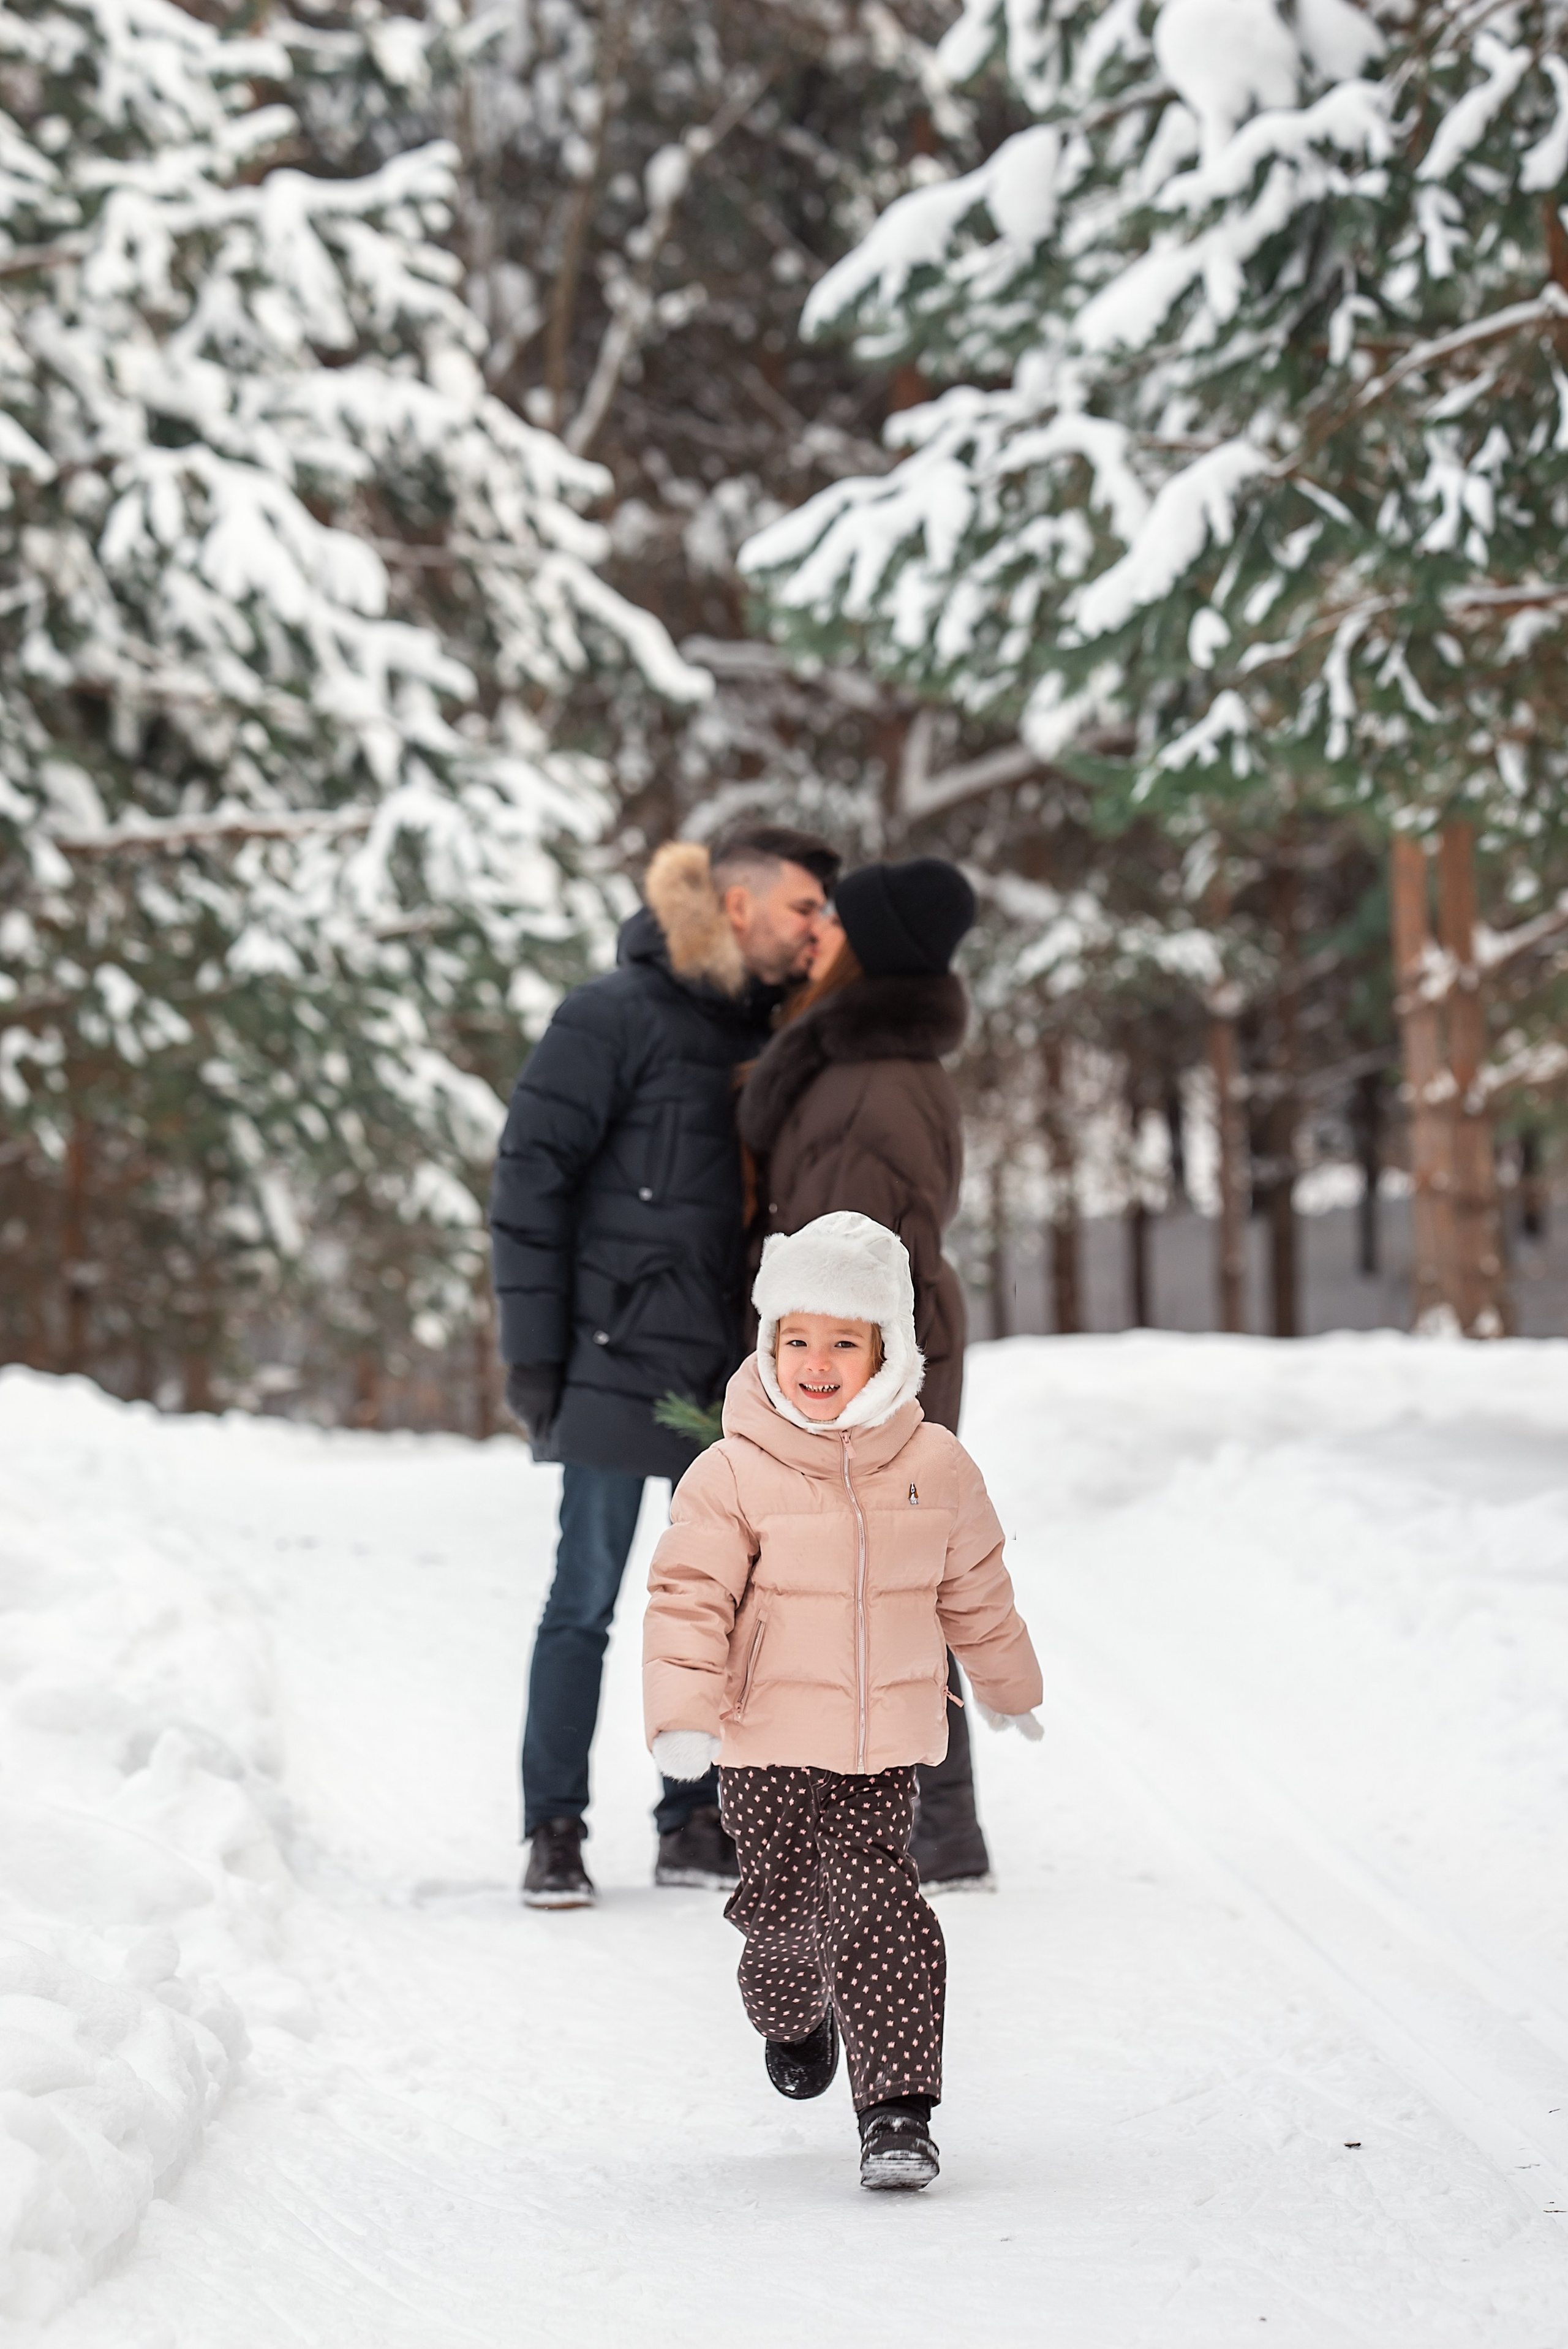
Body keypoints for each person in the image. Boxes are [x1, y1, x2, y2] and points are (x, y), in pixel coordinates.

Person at [643, 1213, 1042, 2191]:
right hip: (765, 1746)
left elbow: (976, 1587)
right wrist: (683, 1716)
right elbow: (687, 1597)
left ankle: (897, 2112)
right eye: (798, 1339)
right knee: (781, 1921)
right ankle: (792, 2008)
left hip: (884, 1750)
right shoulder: (731, 1472)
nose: (817, 1363)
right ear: (771, 1345)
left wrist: (1006, 1684)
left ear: (888, 1351)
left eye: (843, 1343)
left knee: (880, 1904)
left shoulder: (936, 1466)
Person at [491, 824, 839, 1909]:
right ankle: (554, 1830)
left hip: (721, 1371)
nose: (817, 931)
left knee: (723, 1607)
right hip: (609, 1351)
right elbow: (528, 1185)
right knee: (585, 1600)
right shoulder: (611, 1016)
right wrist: (537, 1358)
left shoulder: (774, 1030)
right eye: (804, 909)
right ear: (737, 907)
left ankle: (693, 1819)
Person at [736, 856, 995, 1891]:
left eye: (835, 921)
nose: (816, 934)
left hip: (869, 1360)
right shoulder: (867, 1066)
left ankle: (924, 1827)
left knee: (877, 1577)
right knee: (891, 1572)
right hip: (883, 1351)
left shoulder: (865, 1083)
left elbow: (844, 1265)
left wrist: (819, 1379)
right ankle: (939, 1827)